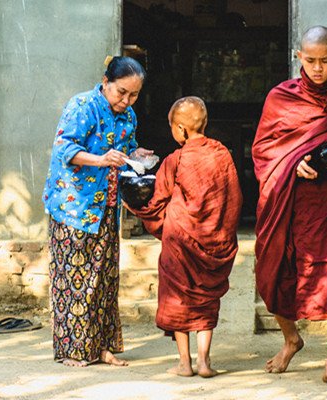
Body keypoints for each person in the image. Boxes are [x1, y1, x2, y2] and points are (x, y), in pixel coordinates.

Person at [251, 26, 327, 388]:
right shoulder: (280, 99)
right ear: (299, 57)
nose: (318, 68)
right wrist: (290, 164)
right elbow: (262, 151)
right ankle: (291, 339)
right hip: (288, 205)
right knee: (273, 274)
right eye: (311, 60)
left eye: (325, 61)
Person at [42, 56, 153, 367]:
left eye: (134, 95)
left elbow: (126, 148)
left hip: (107, 206)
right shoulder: (82, 106)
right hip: (73, 206)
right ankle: (73, 351)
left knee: (103, 280)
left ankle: (101, 348)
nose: (127, 100)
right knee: (73, 279)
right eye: (121, 92)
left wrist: (137, 153)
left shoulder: (128, 115)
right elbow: (65, 150)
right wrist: (103, 160)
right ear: (106, 82)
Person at [127, 96, 243, 378]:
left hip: (179, 240)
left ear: (180, 129)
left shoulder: (175, 160)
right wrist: (222, 229)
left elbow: (156, 201)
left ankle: (184, 363)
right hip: (213, 239)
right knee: (205, 300)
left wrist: (134, 204)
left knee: (178, 298)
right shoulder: (222, 155)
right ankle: (204, 362)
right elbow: (235, 198)